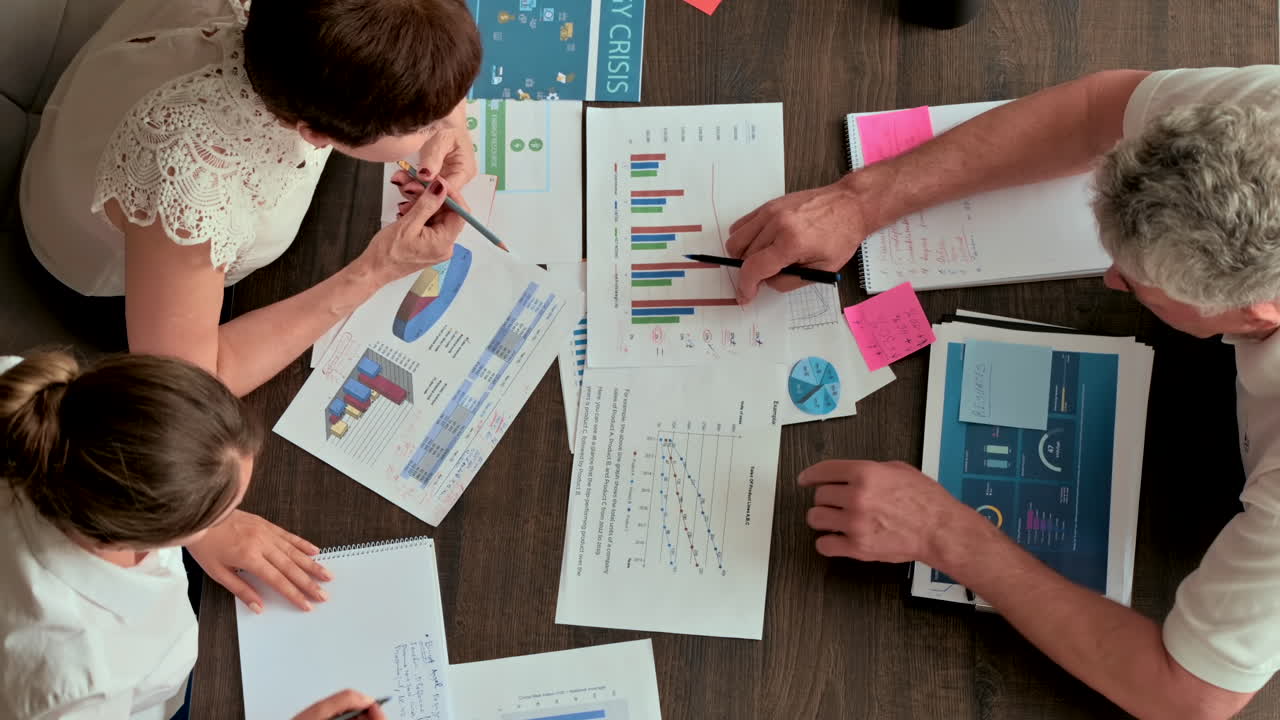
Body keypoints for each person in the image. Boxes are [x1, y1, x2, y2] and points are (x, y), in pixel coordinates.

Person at [729, 66, 1280, 718]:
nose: (1108, 280)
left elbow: (1187, 695)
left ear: (1256, 315)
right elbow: (1096, 109)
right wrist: (860, 201)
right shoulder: (1255, 118)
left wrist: (944, 533)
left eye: (1138, 286)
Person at [19, 0, 480, 397]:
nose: (446, 120)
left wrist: (446, 114)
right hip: (118, 287)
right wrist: (375, 269)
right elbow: (189, 378)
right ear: (315, 133)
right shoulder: (195, 176)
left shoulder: (300, 54)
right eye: (423, 123)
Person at [0, 350, 346, 719]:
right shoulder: (76, 677)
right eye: (219, 514)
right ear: (140, 528)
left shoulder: (32, 406)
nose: (234, 521)